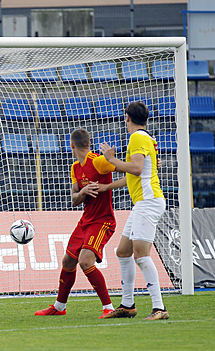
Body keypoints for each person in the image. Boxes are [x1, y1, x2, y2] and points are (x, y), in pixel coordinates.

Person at [35, 129, 116, 318]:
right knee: (68, 261)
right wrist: (83, 192)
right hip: (86, 221)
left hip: (102, 221)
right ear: (89, 142)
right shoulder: (75, 168)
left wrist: (107, 185)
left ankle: (109, 307)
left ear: (71, 145)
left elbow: (130, 171)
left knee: (85, 261)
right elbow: (74, 199)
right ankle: (59, 307)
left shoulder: (98, 161)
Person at [99, 101, 168, 320]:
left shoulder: (137, 137)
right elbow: (135, 173)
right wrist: (108, 187)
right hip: (143, 202)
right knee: (123, 251)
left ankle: (159, 308)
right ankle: (127, 305)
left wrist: (111, 159)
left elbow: (136, 169)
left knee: (141, 255)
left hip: (148, 202)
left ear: (127, 117)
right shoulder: (146, 137)